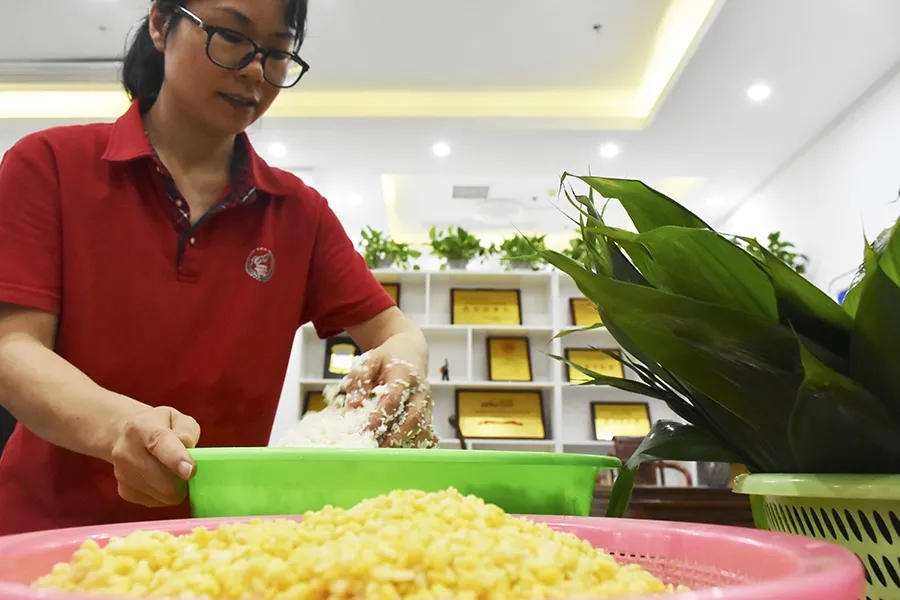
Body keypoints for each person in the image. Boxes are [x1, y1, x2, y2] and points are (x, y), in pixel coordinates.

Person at [0, 0, 435, 536]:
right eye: (231, 35)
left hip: (220, 541)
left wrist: (406, 361)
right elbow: (12, 349)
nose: (255, 70)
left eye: (278, 52)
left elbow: (394, 330)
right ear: (161, 23)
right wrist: (121, 426)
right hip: (48, 532)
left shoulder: (298, 212)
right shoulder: (49, 164)